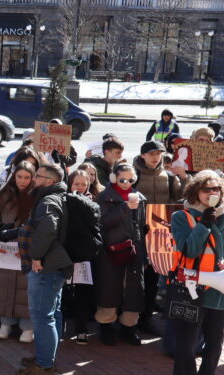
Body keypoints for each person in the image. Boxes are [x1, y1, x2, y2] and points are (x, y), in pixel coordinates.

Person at [169, 170, 224, 375]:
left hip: (220, 287)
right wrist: (204, 224)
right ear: (196, 192)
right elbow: (189, 249)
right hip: (193, 286)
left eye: (216, 189)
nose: (212, 193)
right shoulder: (183, 217)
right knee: (187, 339)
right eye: (206, 189)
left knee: (215, 339)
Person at [16, 163, 71, 375]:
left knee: (42, 316)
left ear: (49, 181)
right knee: (52, 313)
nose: (33, 180)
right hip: (54, 265)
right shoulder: (57, 197)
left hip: (46, 266)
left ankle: (45, 366)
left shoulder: (48, 200)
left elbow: (48, 226)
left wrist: (36, 256)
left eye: (37, 176)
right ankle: (47, 357)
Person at [94, 162, 149, 345]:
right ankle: (106, 326)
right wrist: (124, 208)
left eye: (130, 179)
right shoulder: (105, 197)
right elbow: (103, 222)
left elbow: (142, 226)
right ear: (114, 178)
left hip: (135, 250)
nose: (126, 183)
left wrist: (145, 252)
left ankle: (129, 327)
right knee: (110, 287)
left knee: (134, 289)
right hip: (111, 249)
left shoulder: (140, 198)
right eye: (122, 179)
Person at [132, 140, 181, 334]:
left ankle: (145, 318)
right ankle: (127, 318)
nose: (155, 157)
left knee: (153, 277)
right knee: (134, 276)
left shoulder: (168, 177)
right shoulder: (132, 175)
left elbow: (179, 200)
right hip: (137, 232)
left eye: (158, 153)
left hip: (160, 233)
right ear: (143, 155)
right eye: (151, 153)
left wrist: (183, 178)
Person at [0, 161, 36, 342]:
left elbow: (40, 226)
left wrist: (28, 248)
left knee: (26, 289)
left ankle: (27, 327)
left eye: (27, 177)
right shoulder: (4, 194)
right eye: (19, 176)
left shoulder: (37, 197)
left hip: (25, 250)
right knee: (4, 286)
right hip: (4, 249)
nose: (22, 181)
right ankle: (5, 323)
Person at [64, 170, 97, 344]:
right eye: (76, 184)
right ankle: (60, 327)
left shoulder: (92, 202)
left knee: (84, 293)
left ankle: (81, 330)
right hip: (65, 253)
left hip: (85, 255)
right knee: (63, 292)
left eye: (84, 184)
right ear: (70, 184)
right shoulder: (63, 201)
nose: (80, 188)